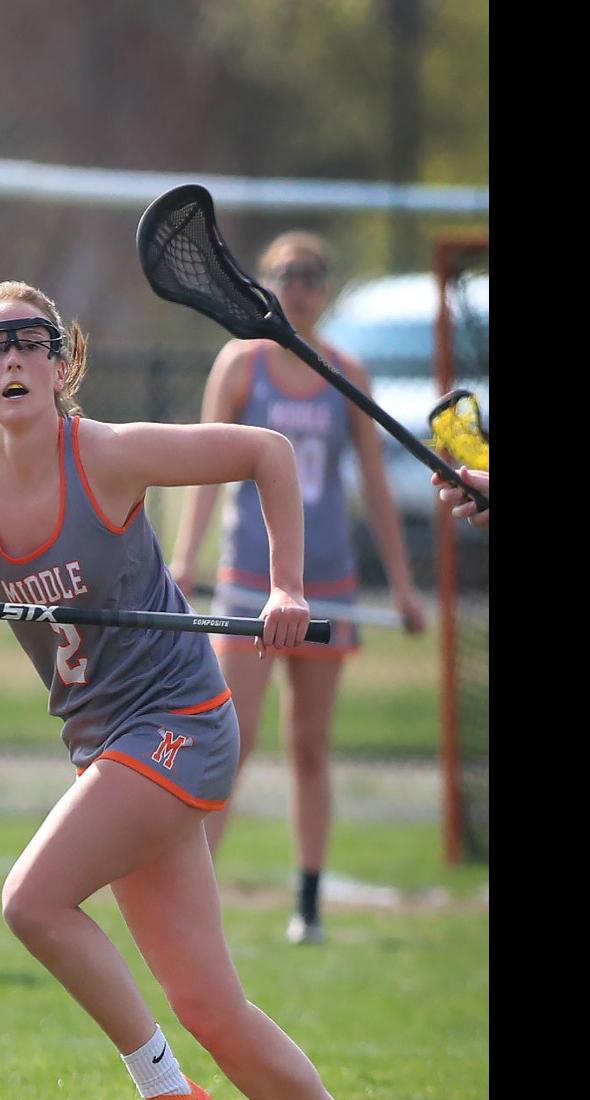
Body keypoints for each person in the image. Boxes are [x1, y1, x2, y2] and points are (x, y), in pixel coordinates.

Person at [0, 280, 421, 1100]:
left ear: (63, 364)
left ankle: (168, 1097)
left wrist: (286, 586)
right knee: (213, 1008)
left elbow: (265, 454)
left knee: (31, 900)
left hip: (180, 723)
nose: (13, 358)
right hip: (109, 748)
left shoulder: (105, 454)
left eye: (31, 341)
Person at [170, 233, 427, 945]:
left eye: (313, 274)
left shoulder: (346, 372)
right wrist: (185, 559)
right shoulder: (242, 364)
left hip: (326, 583)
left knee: (310, 744)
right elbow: (200, 465)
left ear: (328, 288)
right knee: (230, 738)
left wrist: (404, 588)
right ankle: (194, 897)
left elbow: (375, 485)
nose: (301, 286)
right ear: (266, 284)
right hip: (250, 580)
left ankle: (308, 903)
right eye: (287, 273)